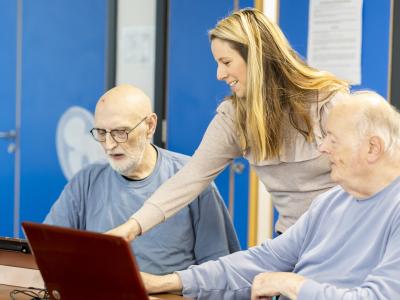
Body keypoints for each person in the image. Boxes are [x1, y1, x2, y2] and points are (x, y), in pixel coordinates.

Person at [107, 8, 349, 240]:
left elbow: (370, 175)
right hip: (292, 239)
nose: (219, 75)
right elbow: (191, 177)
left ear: (256, 57)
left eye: (226, 62)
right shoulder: (235, 116)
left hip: (345, 235)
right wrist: (133, 226)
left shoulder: (325, 102)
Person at [140, 91, 400, 299]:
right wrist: (167, 282)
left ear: (372, 148)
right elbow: (264, 259)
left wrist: (293, 285)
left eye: (332, 139)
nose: (322, 148)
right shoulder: (331, 202)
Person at [44, 84, 240, 275]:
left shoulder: (190, 180)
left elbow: (219, 272)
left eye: (121, 132)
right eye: (102, 133)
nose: (109, 145)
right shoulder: (86, 182)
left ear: (150, 126)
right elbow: (45, 249)